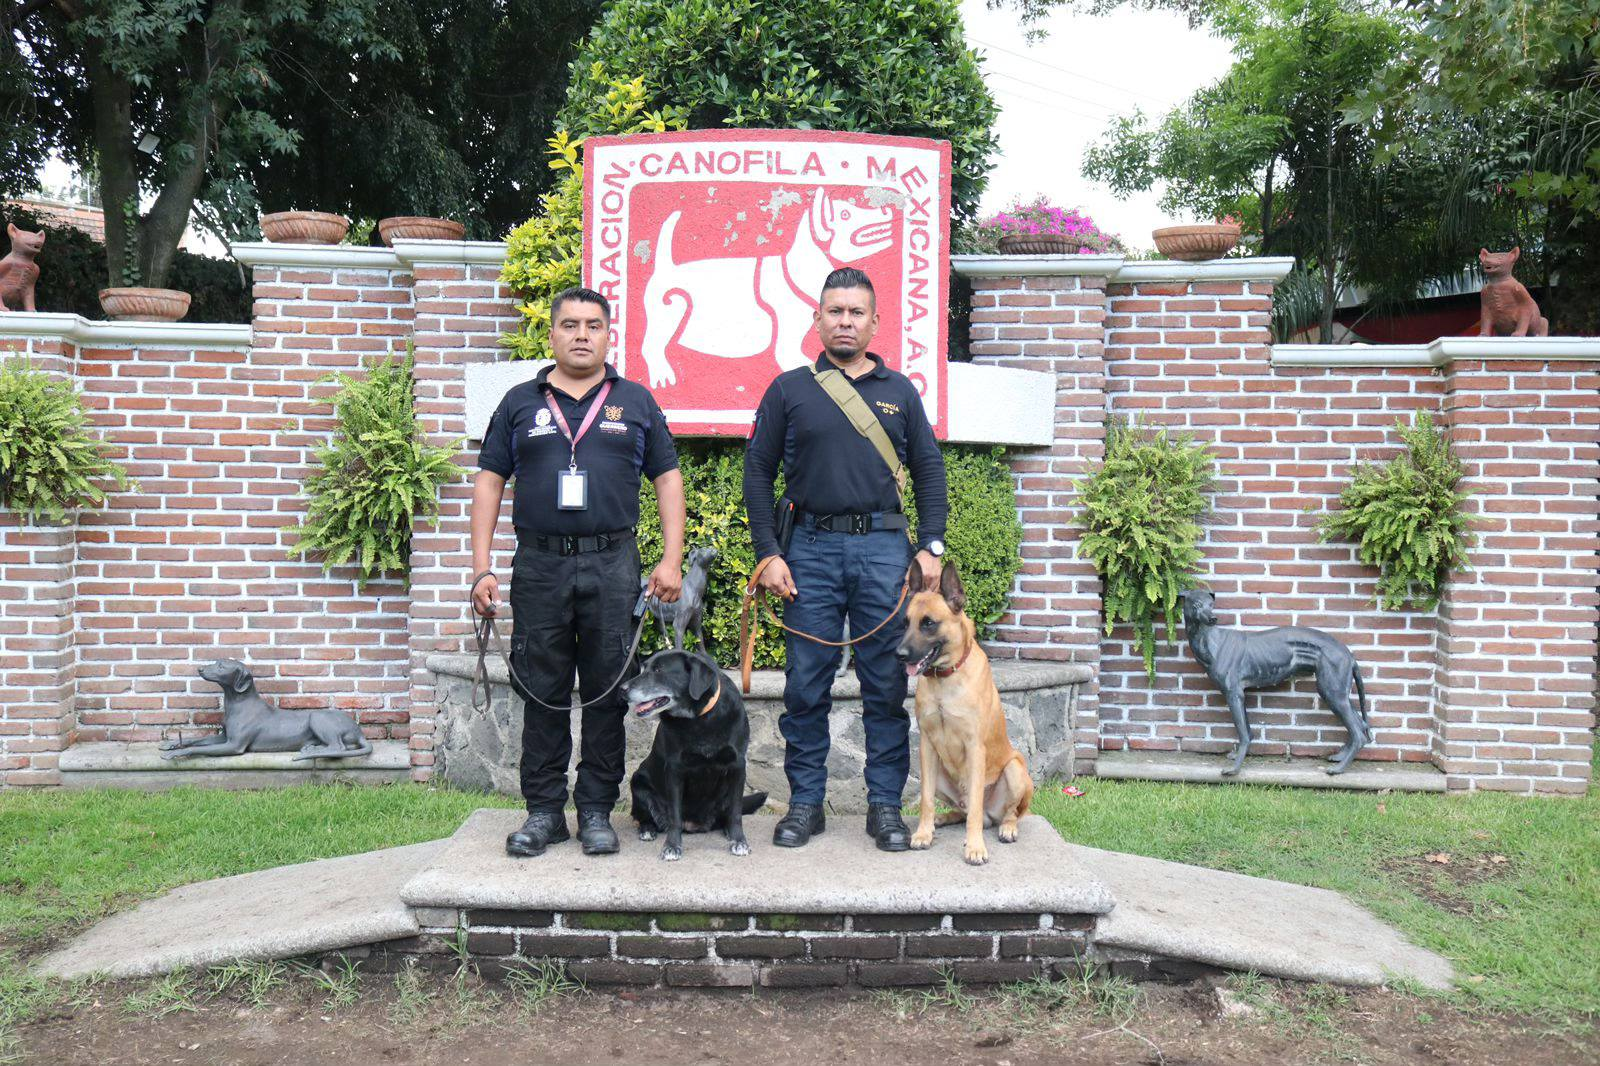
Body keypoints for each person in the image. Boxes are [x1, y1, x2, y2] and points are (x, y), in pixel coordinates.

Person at [472, 286, 686, 858]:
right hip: (539, 564)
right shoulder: (519, 403)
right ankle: (544, 813)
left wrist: (670, 560)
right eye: (570, 325)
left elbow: (668, 479)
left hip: (612, 563)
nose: (582, 335)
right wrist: (480, 569)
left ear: (609, 334)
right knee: (540, 689)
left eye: (593, 325)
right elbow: (489, 482)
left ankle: (594, 811)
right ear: (552, 335)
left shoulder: (635, 402)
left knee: (608, 689)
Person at [742, 267, 948, 852]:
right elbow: (758, 473)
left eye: (857, 313)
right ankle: (805, 804)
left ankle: (884, 807)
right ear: (817, 319)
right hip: (808, 549)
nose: (846, 322)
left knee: (885, 682)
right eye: (835, 311)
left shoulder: (900, 391)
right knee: (806, 683)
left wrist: (930, 545)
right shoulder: (789, 389)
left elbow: (930, 469)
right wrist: (769, 554)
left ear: (875, 322)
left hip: (885, 551)